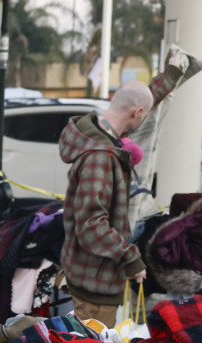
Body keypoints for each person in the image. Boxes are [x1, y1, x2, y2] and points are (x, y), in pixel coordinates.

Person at [58, 76, 176, 328]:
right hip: (95, 286)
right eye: (143, 116)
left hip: (92, 275)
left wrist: (171, 75)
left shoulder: (99, 137)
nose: (142, 122)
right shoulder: (100, 157)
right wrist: (130, 257)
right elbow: (91, 225)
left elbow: (139, 99)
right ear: (137, 112)